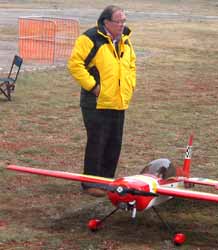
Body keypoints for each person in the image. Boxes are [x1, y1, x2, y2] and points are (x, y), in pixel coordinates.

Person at [68, 5, 136, 197]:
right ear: (106, 22)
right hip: (96, 102)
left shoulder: (125, 40)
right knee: (97, 141)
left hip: (119, 101)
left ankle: (107, 181)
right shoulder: (90, 38)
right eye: (118, 21)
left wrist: (130, 85)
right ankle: (91, 183)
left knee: (114, 142)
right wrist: (94, 87)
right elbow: (75, 64)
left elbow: (131, 64)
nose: (122, 25)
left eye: (124, 21)